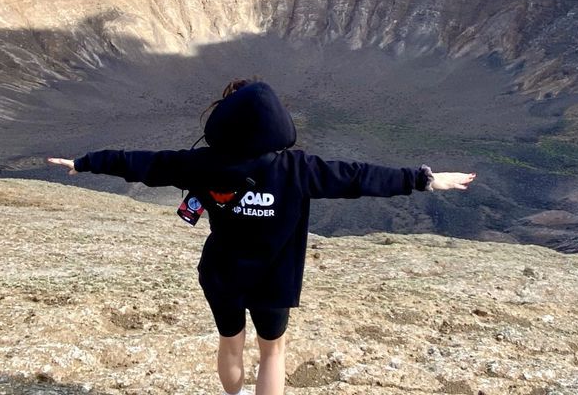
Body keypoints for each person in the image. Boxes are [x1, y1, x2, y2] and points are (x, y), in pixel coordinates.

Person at [48, 79, 475, 395]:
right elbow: (359, 176)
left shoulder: (201, 165)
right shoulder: (298, 169)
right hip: (274, 281)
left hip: (221, 275)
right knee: (273, 353)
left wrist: (85, 163)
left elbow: (141, 163)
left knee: (229, 344)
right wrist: (423, 180)